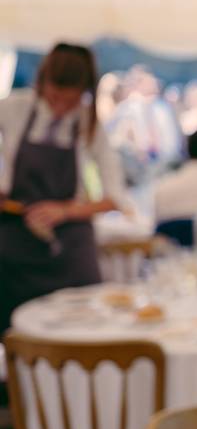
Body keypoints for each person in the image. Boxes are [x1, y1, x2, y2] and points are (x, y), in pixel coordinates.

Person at [0, 43, 126, 333]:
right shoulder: (15, 107)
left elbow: (115, 198)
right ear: (42, 83)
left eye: (69, 101)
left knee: (82, 333)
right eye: (54, 97)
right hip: (14, 243)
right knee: (14, 334)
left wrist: (64, 210)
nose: (59, 109)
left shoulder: (88, 123)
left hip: (70, 248)